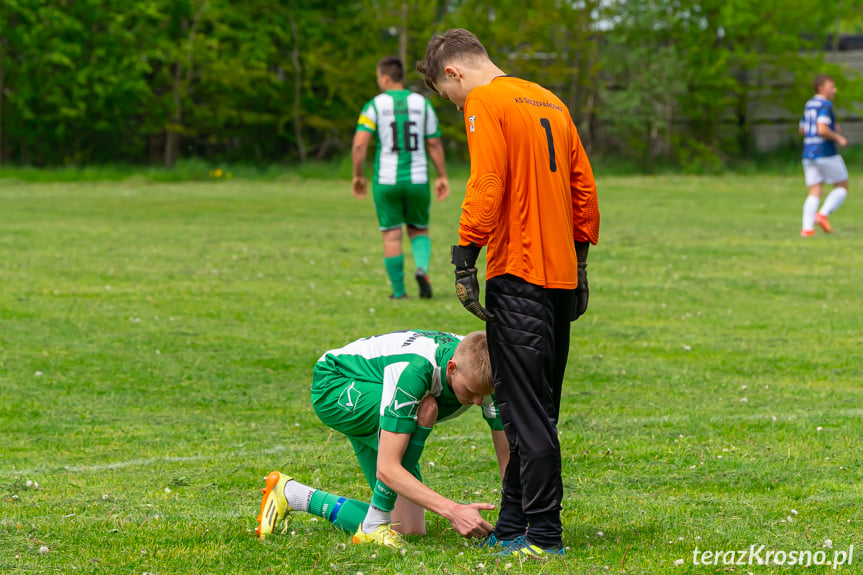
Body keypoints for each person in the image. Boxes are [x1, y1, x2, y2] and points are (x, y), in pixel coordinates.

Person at [416, 29, 600, 558]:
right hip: (561, 275)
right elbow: (582, 186)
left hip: (518, 272)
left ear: (453, 73)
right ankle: (515, 524)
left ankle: (543, 536)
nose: (456, 107)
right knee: (537, 408)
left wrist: (465, 254)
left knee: (524, 414)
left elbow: (487, 182)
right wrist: (581, 261)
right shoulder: (548, 99)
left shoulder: (485, 101)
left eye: (448, 97)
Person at [256, 329, 509, 550]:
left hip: (379, 387)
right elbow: (388, 469)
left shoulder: (485, 371)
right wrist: (453, 510)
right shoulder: (415, 371)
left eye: (484, 395)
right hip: (336, 384)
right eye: (472, 392)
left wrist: (517, 518)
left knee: (407, 529)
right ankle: (374, 524)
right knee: (425, 409)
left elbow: (506, 453)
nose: (478, 401)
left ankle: (291, 493)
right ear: (451, 368)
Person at [352, 56, 450, 299]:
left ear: (385, 78)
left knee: (392, 236)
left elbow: (360, 145)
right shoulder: (423, 104)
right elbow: (434, 142)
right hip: (418, 179)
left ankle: (399, 292)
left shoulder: (374, 105)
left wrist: (358, 175)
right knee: (419, 230)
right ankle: (421, 269)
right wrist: (442, 176)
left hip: (386, 181)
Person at [798, 74, 849, 237]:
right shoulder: (825, 105)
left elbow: (802, 129)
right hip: (825, 151)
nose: (834, 90)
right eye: (831, 87)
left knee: (814, 190)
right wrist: (837, 137)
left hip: (808, 151)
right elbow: (822, 129)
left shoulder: (809, 104)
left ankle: (807, 229)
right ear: (821, 88)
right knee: (842, 186)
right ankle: (822, 215)